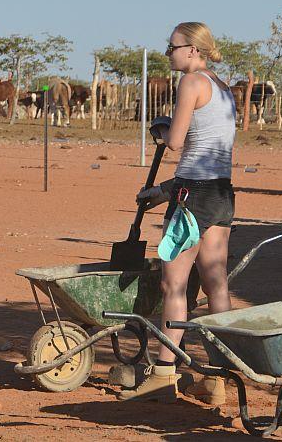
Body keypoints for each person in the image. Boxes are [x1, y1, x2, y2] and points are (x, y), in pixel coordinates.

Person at [119, 22, 236, 404]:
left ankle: (164, 373)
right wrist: (160, 192)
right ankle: (221, 376)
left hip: (191, 200)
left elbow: (176, 144)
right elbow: (202, 159)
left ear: (191, 50)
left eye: (171, 47)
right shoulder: (222, 87)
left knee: (174, 285)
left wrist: (165, 130)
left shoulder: (190, 84)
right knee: (216, 284)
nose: (167, 53)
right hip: (219, 194)